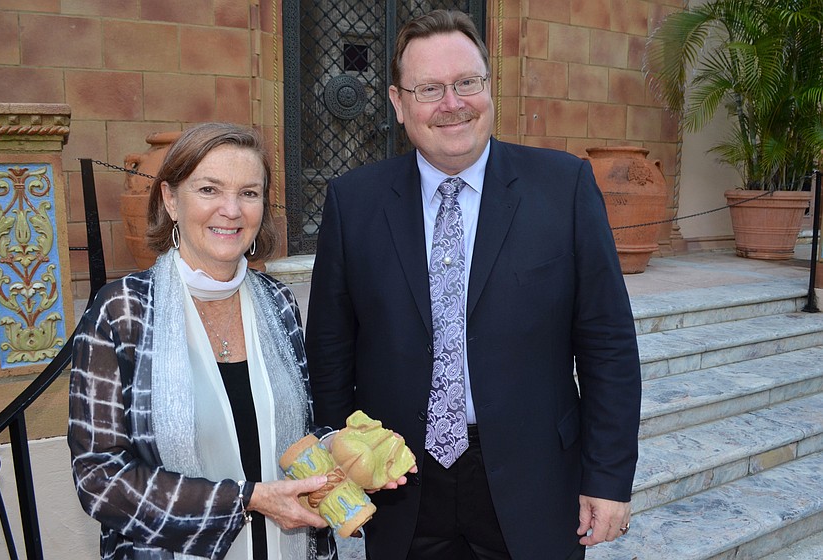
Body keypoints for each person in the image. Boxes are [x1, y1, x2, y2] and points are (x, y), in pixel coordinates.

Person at [305, 9, 642, 560]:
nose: (452, 103)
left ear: (489, 88)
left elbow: (608, 345)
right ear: (397, 102)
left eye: (466, 83)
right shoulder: (353, 201)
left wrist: (607, 478)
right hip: (400, 484)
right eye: (429, 88)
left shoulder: (564, 188)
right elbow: (331, 349)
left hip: (534, 480)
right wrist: (341, 467)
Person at [68, 123, 339, 559]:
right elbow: (100, 480)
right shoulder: (122, 311)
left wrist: (341, 455)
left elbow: (299, 434)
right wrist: (245, 500)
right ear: (171, 200)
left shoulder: (278, 303)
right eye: (210, 189)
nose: (231, 210)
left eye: (249, 193)